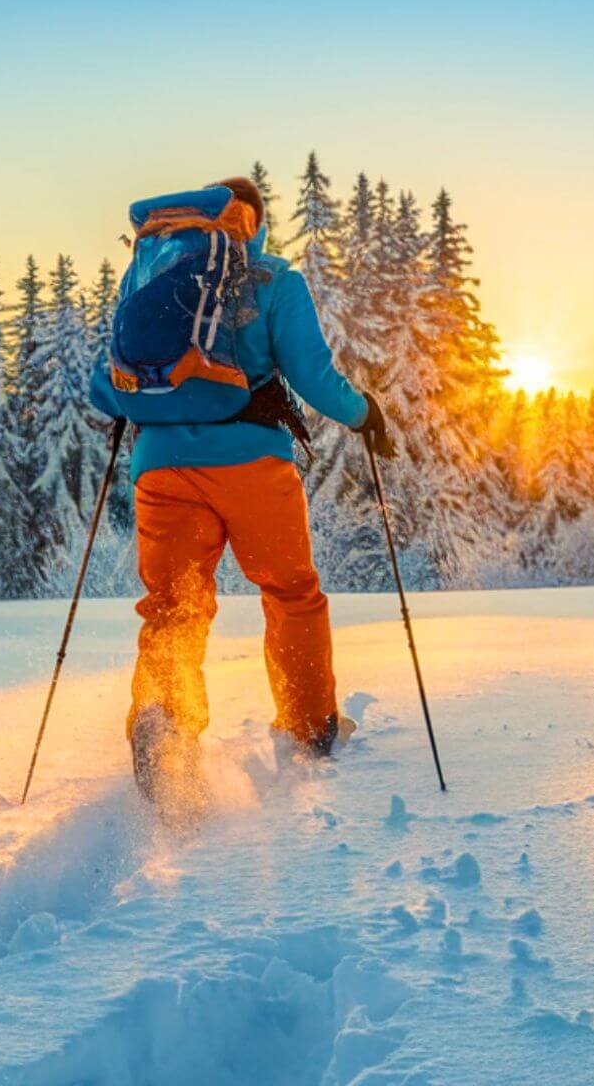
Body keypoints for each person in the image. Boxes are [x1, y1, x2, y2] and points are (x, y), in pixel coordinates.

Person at [88, 176, 394, 806]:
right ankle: (310, 729)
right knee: (290, 593)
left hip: (160, 467)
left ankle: (164, 723)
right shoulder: (274, 280)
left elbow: (103, 386)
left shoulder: (147, 278)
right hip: (252, 461)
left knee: (174, 605)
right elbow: (313, 375)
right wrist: (365, 414)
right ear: (252, 223)